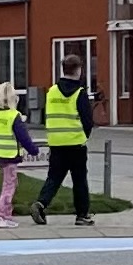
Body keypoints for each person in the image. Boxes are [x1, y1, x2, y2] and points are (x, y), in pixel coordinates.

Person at [35, 67, 96, 225]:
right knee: (79, 180)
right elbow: (87, 120)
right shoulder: (80, 93)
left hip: (56, 142)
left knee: (54, 177)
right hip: (76, 143)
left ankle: (41, 204)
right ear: (78, 70)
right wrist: (84, 136)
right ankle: (82, 215)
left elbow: (46, 115)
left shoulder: (52, 91)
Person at [0, 82, 28, 227]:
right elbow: (23, 137)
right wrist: (33, 150)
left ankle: (5, 213)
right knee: (9, 185)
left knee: (9, 183)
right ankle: (2, 215)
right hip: (9, 154)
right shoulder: (14, 115)